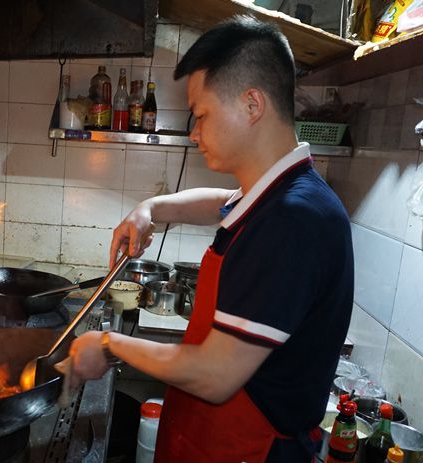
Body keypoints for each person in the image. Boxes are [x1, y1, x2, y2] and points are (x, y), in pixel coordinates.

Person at [60, 15, 354, 463]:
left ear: (252, 104)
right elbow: (217, 200)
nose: (193, 133)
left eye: (201, 115)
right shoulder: (277, 193)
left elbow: (216, 375)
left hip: (249, 451)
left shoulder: (294, 220)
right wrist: (152, 209)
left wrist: (109, 344)